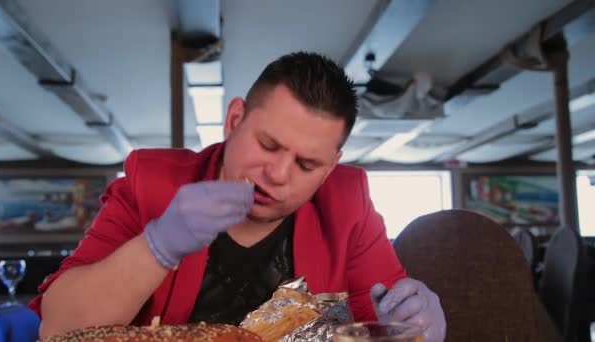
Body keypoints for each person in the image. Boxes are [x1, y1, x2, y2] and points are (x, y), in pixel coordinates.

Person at [29, 52, 446, 341]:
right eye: (267, 144)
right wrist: (158, 247)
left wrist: (416, 327)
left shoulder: (348, 202)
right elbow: (60, 328)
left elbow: (386, 326)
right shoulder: (151, 183)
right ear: (234, 120)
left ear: (331, 167)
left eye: (306, 165)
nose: (278, 175)